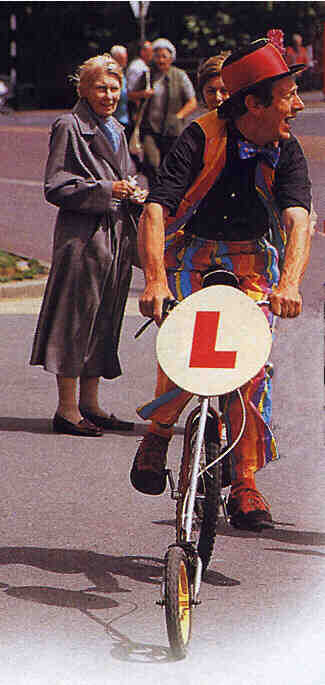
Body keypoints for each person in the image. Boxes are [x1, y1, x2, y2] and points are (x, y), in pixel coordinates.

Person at [130, 38, 312, 531]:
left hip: (254, 260)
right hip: (193, 250)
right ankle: (160, 430)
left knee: (251, 367)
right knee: (188, 346)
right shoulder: (199, 137)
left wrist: (290, 283)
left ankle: (246, 480)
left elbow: (299, 220)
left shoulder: (287, 149)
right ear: (254, 103)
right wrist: (153, 282)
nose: (298, 105)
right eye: (288, 95)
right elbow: (155, 209)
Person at [30, 54, 146, 437]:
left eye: (114, 88)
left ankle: (89, 404)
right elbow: (56, 185)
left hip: (115, 235)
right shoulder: (69, 125)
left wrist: (133, 189)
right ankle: (66, 409)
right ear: (83, 88)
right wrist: (107, 189)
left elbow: (123, 173)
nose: (109, 95)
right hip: (82, 237)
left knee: (104, 317)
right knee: (76, 318)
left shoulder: (115, 126)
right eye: (101, 87)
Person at [135, 38, 198, 186]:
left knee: (171, 166)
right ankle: (154, 196)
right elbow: (132, 94)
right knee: (153, 164)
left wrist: (178, 116)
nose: (160, 60)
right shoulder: (147, 75)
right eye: (157, 56)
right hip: (150, 129)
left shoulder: (180, 75)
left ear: (171, 58)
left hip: (172, 130)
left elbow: (192, 102)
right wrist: (142, 95)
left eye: (164, 56)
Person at [127, 40, 153, 115]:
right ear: (142, 52)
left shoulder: (144, 66)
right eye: (150, 51)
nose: (152, 53)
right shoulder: (136, 68)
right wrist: (145, 94)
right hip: (136, 111)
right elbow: (129, 94)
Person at [110, 45, 131, 137]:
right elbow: (122, 95)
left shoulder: (122, 72)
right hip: (115, 118)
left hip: (123, 118)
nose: (126, 60)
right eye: (124, 58)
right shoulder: (112, 73)